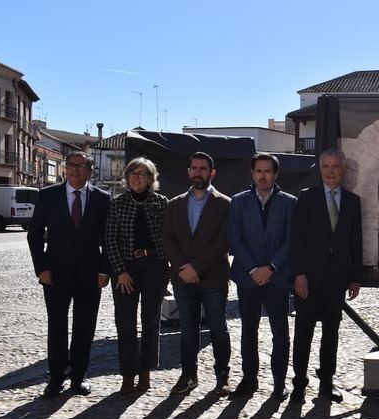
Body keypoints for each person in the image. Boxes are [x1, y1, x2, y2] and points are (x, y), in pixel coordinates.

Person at [27, 151, 111, 398]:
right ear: (65, 169)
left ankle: (78, 376)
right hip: (55, 274)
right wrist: (42, 268)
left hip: (90, 274)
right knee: (57, 326)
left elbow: (107, 238)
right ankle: (56, 377)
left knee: (85, 327)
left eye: (81, 165)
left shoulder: (102, 199)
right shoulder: (47, 195)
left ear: (89, 171)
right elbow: (34, 235)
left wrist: (104, 270)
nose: (75, 169)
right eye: (71, 165)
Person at [290, 148, 362, 403]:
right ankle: (299, 383)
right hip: (307, 279)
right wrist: (298, 273)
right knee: (303, 333)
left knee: (331, 333)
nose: (331, 172)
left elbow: (356, 242)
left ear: (342, 170)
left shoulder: (353, 202)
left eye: (335, 167)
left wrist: (355, 277)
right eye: (326, 167)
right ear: (320, 169)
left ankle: (326, 383)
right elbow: (296, 240)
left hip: (336, 280)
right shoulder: (307, 197)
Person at [162, 152, 232, 397]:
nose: (197, 172)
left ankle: (222, 376)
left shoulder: (225, 203)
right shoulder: (174, 203)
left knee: (218, 329)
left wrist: (197, 268)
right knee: (187, 329)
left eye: (203, 169)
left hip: (213, 278)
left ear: (211, 173)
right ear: (188, 172)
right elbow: (167, 238)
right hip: (182, 279)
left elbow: (224, 240)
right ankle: (188, 375)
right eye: (193, 168)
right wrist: (184, 267)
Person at [228, 153, 297, 400]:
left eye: (268, 171)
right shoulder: (238, 202)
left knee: (280, 332)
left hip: (277, 278)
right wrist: (252, 269)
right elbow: (235, 238)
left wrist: (271, 267)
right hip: (248, 278)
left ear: (276, 174)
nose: (263, 176)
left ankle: (279, 383)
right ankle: (249, 380)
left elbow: (291, 240)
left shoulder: (290, 203)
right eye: (258, 171)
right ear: (252, 173)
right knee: (249, 331)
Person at [105, 157, 170, 395]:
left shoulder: (161, 202)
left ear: (150, 178)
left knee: (151, 322)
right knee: (125, 323)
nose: (136, 177)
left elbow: (169, 237)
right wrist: (120, 271)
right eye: (132, 172)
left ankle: (145, 372)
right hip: (126, 268)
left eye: (142, 173)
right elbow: (110, 239)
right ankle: (128, 375)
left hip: (155, 266)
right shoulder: (118, 203)